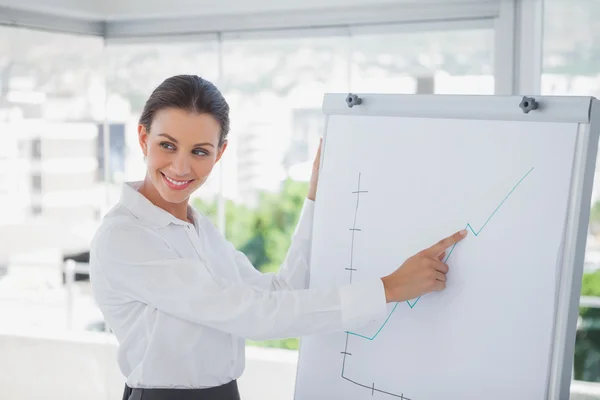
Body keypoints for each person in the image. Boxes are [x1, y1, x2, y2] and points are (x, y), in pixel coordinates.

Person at [89, 74, 467, 400]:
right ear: (143, 137)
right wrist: (388, 288)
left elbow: (278, 292)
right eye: (167, 145)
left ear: (220, 154)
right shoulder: (125, 237)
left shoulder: (198, 228)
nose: (181, 166)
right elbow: (253, 315)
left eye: (199, 151)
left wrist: (315, 199)